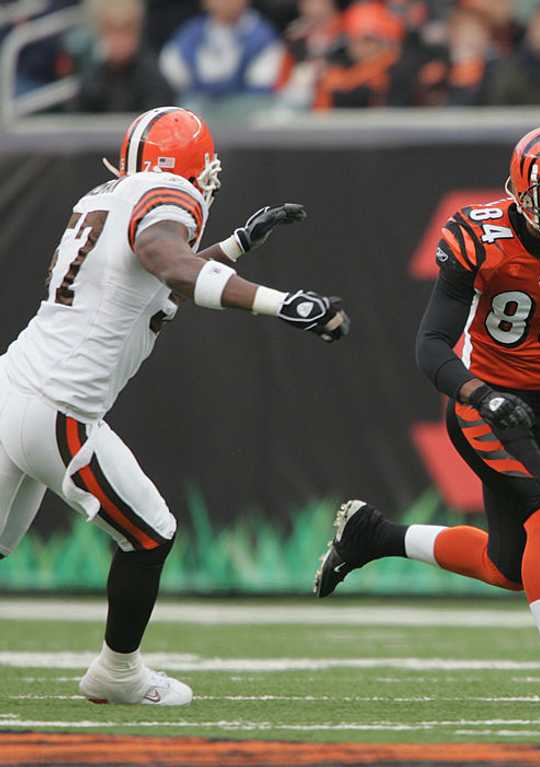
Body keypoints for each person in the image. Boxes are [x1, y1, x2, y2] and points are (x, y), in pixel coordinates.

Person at [0, 106, 349, 706]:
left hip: (13, 386)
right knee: (151, 533)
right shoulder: (166, 193)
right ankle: (117, 671)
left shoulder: (107, 198)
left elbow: (155, 270)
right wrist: (284, 303)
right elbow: (173, 268)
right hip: (60, 409)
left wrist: (236, 244)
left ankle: (118, 670)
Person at [314, 125, 540, 709]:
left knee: (509, 567)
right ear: (526, 193)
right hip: (485, 404)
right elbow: (431, 345)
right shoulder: (481, 239)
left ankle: (373, 536)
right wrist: (479, 395)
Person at [160, 0, 285, 110]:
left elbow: (261, 90)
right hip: (198, 111)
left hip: (246, 116)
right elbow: (173, 76)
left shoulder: (262, 38)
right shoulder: (188, 35)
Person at [73, 0, 177, 114]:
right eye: (111, 30)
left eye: (125, 29)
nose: (118, 40)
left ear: (137, 31)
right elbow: (78, 118)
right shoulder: (92, 78)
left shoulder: (154, 79)